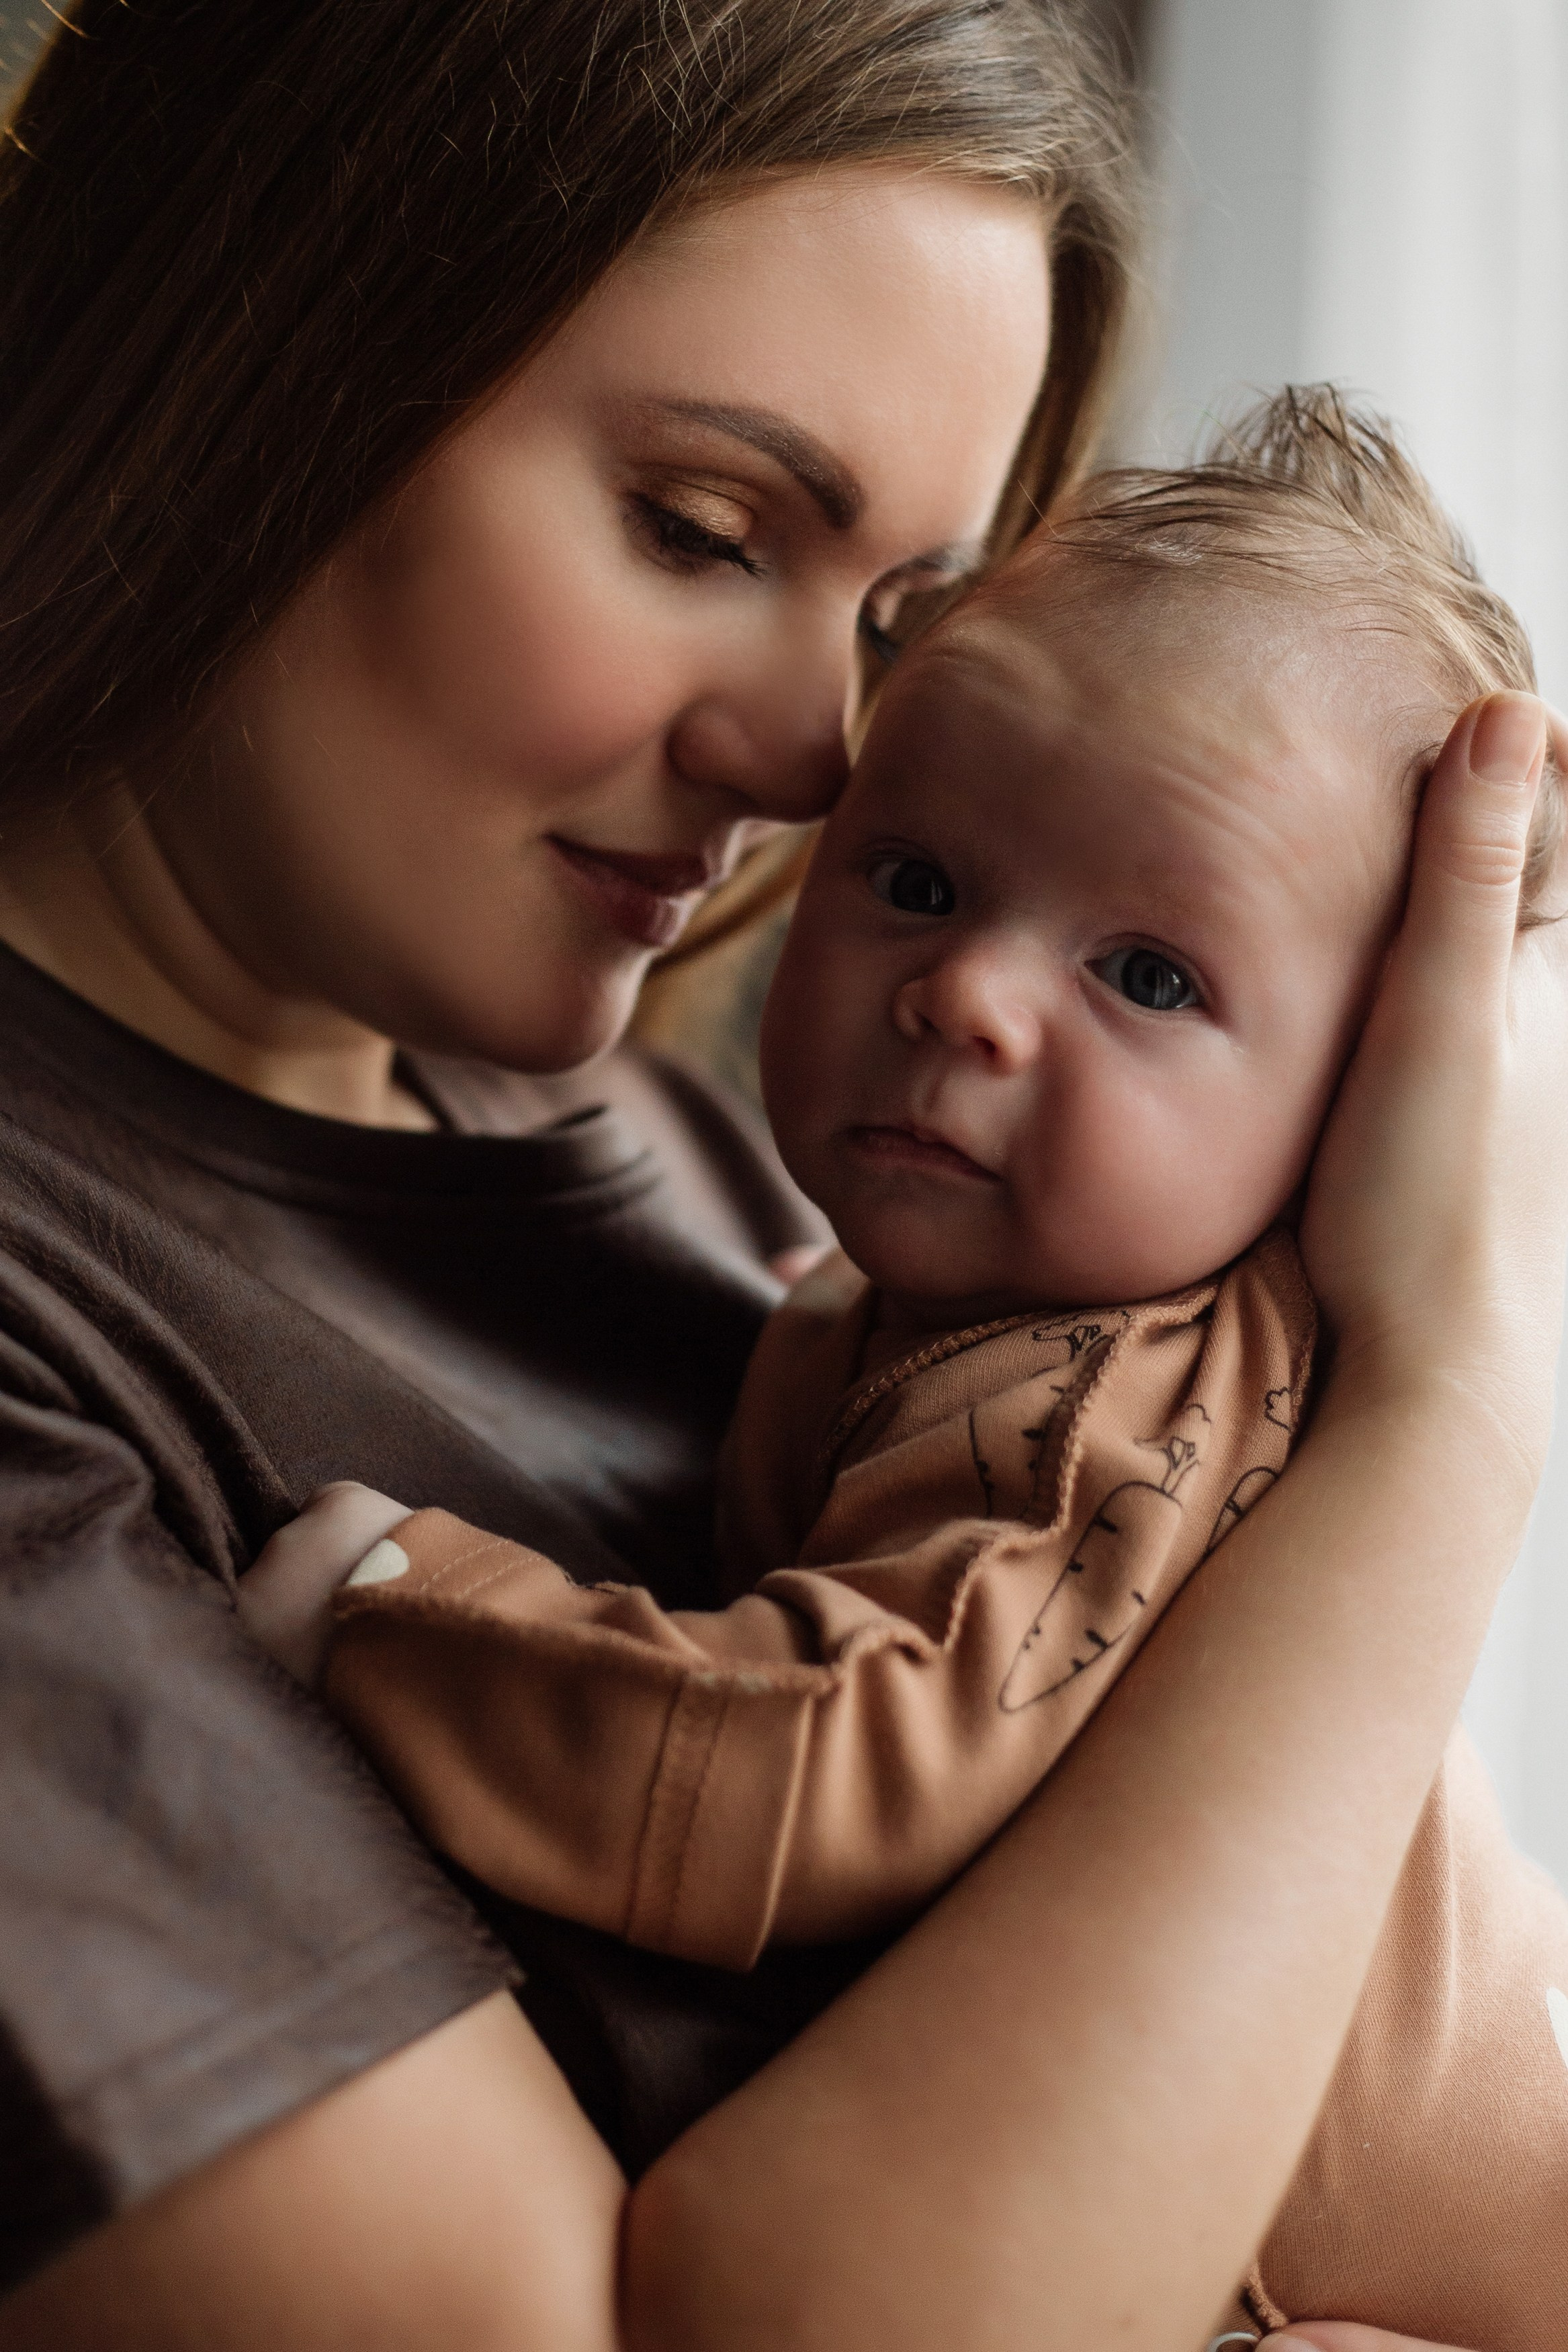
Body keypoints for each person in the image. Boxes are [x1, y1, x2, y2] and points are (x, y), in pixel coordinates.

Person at [0, 3, 1558, 2347]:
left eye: (895, 616)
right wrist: (1449, 1420)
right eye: (703, 528)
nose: (824, 755)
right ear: (266, 332)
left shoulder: (718, 1152)